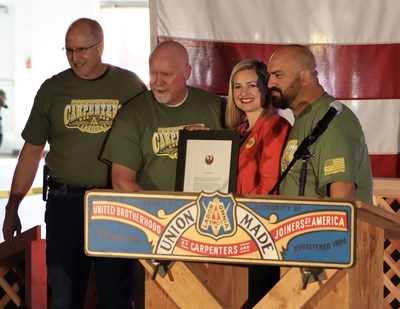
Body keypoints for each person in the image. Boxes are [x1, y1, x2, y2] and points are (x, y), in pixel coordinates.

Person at [2, 18, 147, 309]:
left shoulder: (129, 85)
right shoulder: (52, 89)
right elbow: (31, 152)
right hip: (64, 202)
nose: (74, 58)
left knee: (115, 296)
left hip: (112, 203)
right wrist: (12, 206)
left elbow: (149, 141)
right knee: (65, 297)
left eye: (82, 50)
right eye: (69, 50)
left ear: (100, 47)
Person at [101, 40, 225, 192]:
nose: (158, 82)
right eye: (153, 73)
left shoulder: (216, 107)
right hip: (151, 213)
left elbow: (236, 167)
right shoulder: (132, 114)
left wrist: (208, 144)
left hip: (205, 210)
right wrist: (158, 212)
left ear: (187, 72)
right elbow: (121, 181)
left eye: (166, 74)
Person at [267, 44, 373, 203]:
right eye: (270, 76)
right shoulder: (305, 116)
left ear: (304, 76)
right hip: (298, 226)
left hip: (325, 227)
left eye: (278, 75)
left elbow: (342, 197)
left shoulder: (331, 120)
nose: (270, 84)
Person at [225, 59, 291, 307]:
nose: (244, 93)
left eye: (252, 85)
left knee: (260, 299)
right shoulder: (239, 130)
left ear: (265, 88)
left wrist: (245, 217)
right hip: (237, 228)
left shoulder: (275, 126)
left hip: (262, 227)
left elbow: (270, 184)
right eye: (237, 86)